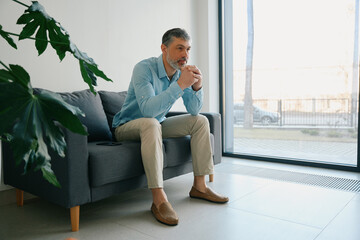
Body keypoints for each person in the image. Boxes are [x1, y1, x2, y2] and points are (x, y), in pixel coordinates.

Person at [112, 28, 228, 226]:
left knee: (200, 121)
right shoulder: (144, 68)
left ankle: (199, 187)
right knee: (150, 123)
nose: (185, 55)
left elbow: (193, 110)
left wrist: (196, 87)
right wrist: (180, 85)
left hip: (157, 124)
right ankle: (158, 199)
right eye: (180, 48)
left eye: (188, 49)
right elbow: (148, 110)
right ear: (164, 49)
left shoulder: (180, 73)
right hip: (126, 127)